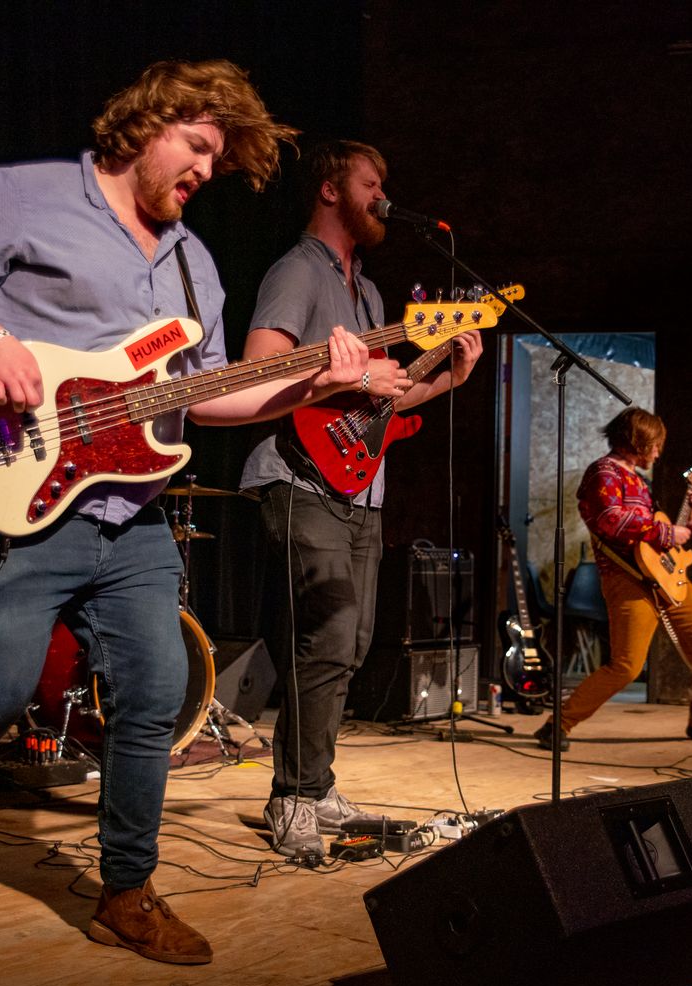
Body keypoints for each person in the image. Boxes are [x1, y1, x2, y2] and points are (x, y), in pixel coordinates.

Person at [0, 61, 404, 968]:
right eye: (199, 146)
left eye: (218, 160)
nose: (205, 171)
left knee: (154, 692)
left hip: (132, 511)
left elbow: (208, 398)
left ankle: (127, 890)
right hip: (18, 494)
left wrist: (316, 381)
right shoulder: (25, 195)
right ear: (150, 120)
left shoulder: (193, 265)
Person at [240, 140, 483, 860]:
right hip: (298, 475)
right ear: (329, 190)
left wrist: (450, 375)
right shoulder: (297, 271)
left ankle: (315, 785)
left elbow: (384, 402)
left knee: (353, 641)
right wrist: (347, 377)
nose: (382, 195)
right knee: (328, 633)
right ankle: (292, 794)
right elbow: (258, 368)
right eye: (370, 182)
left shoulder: (370, 294)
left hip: (359, 483)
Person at [535, 406, 692, 751]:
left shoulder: (639, 481)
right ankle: (558, 724)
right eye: (656, 445)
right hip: (627, 580)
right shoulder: (603, 473)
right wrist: (668, 532)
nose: (658, 453)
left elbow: (660, 540)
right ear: (639, 441)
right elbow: (610, 519)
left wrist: (687, 521)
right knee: (627, 667)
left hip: (665, 578)